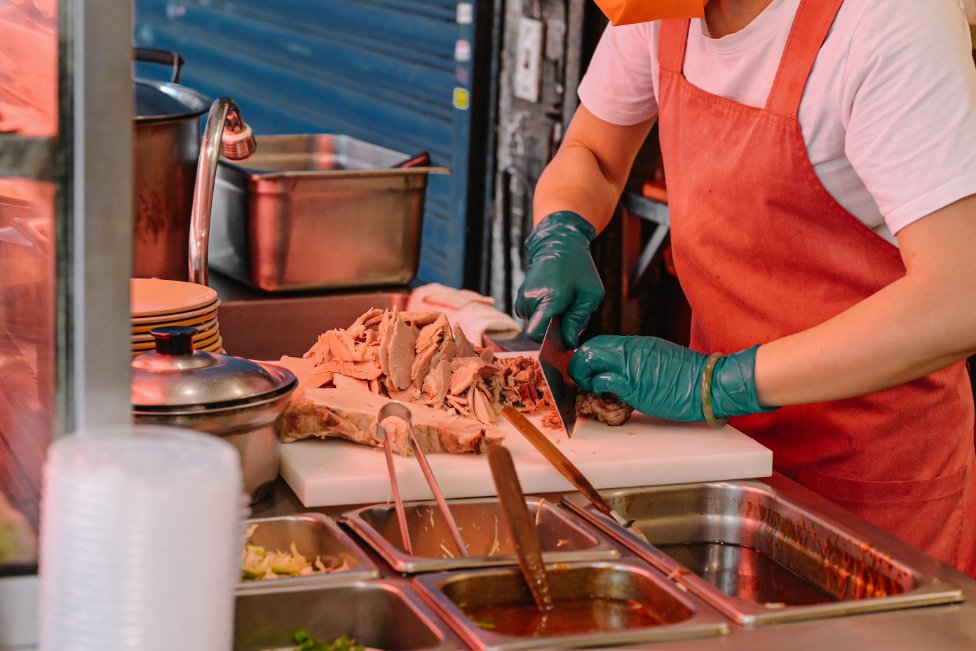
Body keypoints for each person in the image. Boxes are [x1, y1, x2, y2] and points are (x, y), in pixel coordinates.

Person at [515, 0, 976, 577]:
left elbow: (960, 298)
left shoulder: (885, 20)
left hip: (870, 478)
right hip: (722, 454)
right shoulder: (659, 10)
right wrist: (562, 229)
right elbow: (594, 154)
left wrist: (714, 382)